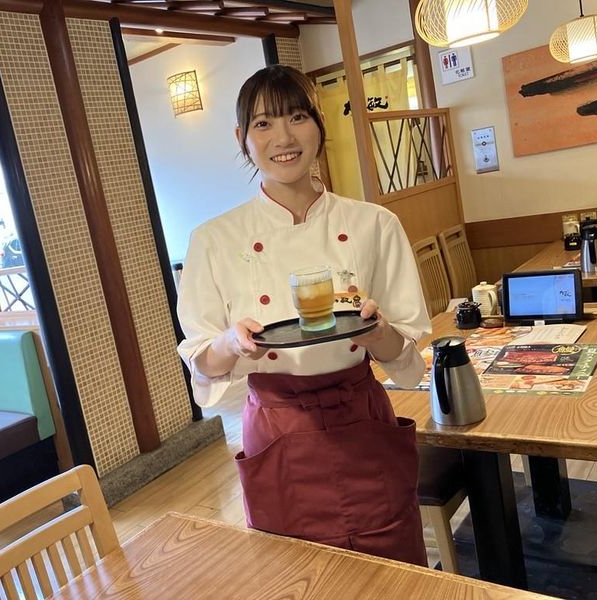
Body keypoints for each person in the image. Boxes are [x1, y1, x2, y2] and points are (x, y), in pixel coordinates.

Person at [177, 65, 431, 565]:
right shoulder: (213, 239)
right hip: (278, 432)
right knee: (295, 571)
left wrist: (378, 332)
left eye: (297, 117)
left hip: (362, 418)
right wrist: (231, 342)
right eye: (263, 123)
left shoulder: (374, 223)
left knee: (394, 565)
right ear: (242, 137)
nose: (284, 138)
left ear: (319, 124)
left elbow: (403, 348)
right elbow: (202, 362)